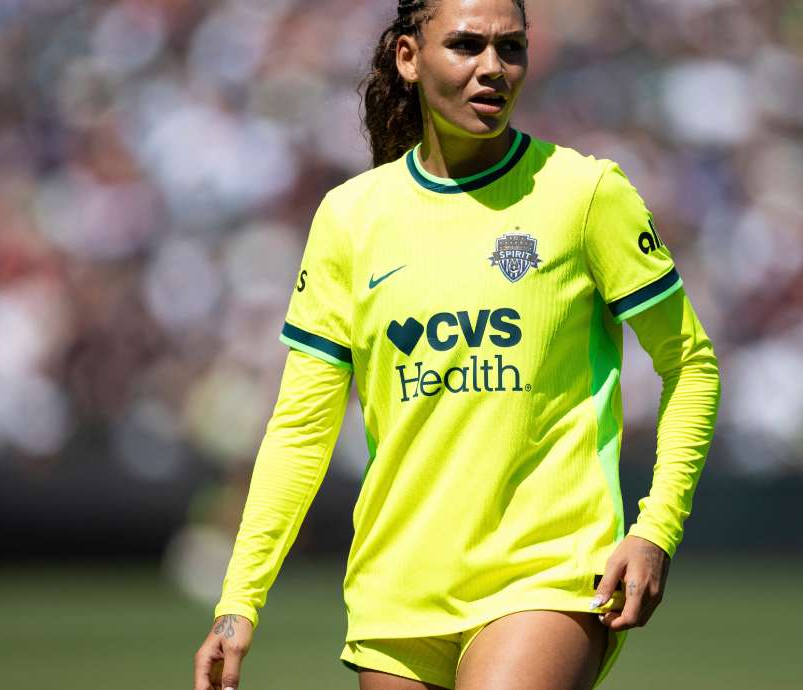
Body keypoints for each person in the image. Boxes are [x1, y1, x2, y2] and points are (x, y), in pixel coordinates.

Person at [193, 0, 721, 688]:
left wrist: (656, 528)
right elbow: (302, 427)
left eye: (511, 48)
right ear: (409, 58)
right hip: (397, 592)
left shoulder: (585, 193)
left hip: (546, 572)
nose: (492, 69)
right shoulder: (351, 219)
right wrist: (239, 602)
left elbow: (691, 363)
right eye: (467, 46)